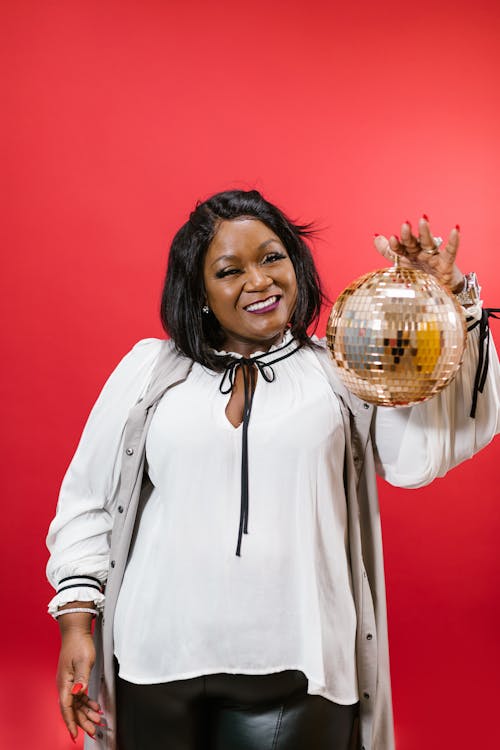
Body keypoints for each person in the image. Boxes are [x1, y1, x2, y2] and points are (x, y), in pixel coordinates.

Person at [46, 190, 500, 750]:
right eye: (229, 270)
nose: (259, 281)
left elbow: (419, 457)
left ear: (296, 263)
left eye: (271, 257)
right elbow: (87, 500)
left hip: (299, 665)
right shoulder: (149, 371)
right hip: (154, 657)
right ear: (201, 293)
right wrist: (76, 625)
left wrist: (444, 301)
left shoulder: (343, 368)